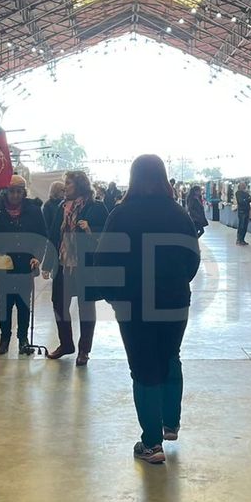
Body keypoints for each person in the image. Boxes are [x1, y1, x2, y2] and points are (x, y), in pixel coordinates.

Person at [91, 155, 200, 464]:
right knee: (169, 356)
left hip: (133, 301)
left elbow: (102, 260)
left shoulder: (121, 214)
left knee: (143, 367)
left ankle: (151, 444)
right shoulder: (179, 214)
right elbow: (193, 259)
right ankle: (171, 423)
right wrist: (177, 282)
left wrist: (114, 296)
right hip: (174, 300)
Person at [43, 170, 108, 365]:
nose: (65, 188)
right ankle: (66, 344)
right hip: (63, 264)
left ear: (79, 185)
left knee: (85, 307)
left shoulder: (96, 207)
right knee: (58, 303)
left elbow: (108, 236)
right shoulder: (62, 207)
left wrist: (90, 229)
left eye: (69, 184)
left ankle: (84, 350)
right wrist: (47, 264)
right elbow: (53, 237)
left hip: (85, 266)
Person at [0, 174, 48, 355]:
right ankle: (4, 339)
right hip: (3, 266)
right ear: (6, 191)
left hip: (26, 264)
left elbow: (42, 237)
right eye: (12, 191)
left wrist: (37, 257)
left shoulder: (33, 210)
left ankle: (23, 339)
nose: (15, 195)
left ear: (24, 192)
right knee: (5, 303)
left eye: (19, 191)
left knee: (23, 303)